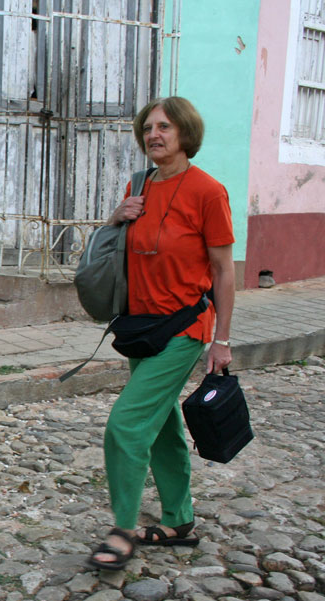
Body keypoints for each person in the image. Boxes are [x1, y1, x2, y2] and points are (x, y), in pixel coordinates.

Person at [87, 96, 235, 570]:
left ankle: (122, 530)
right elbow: (117, 250)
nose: (154, 135)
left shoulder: (208, 192)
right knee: (163, 424)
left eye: (165, 127)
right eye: (148, 127)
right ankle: (178, 518)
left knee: (127, 425)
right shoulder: (138, 185)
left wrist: (222, 340)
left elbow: (224, 271)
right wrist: (116, 218)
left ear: (185, 134)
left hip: (183, 329)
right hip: (141, 330)